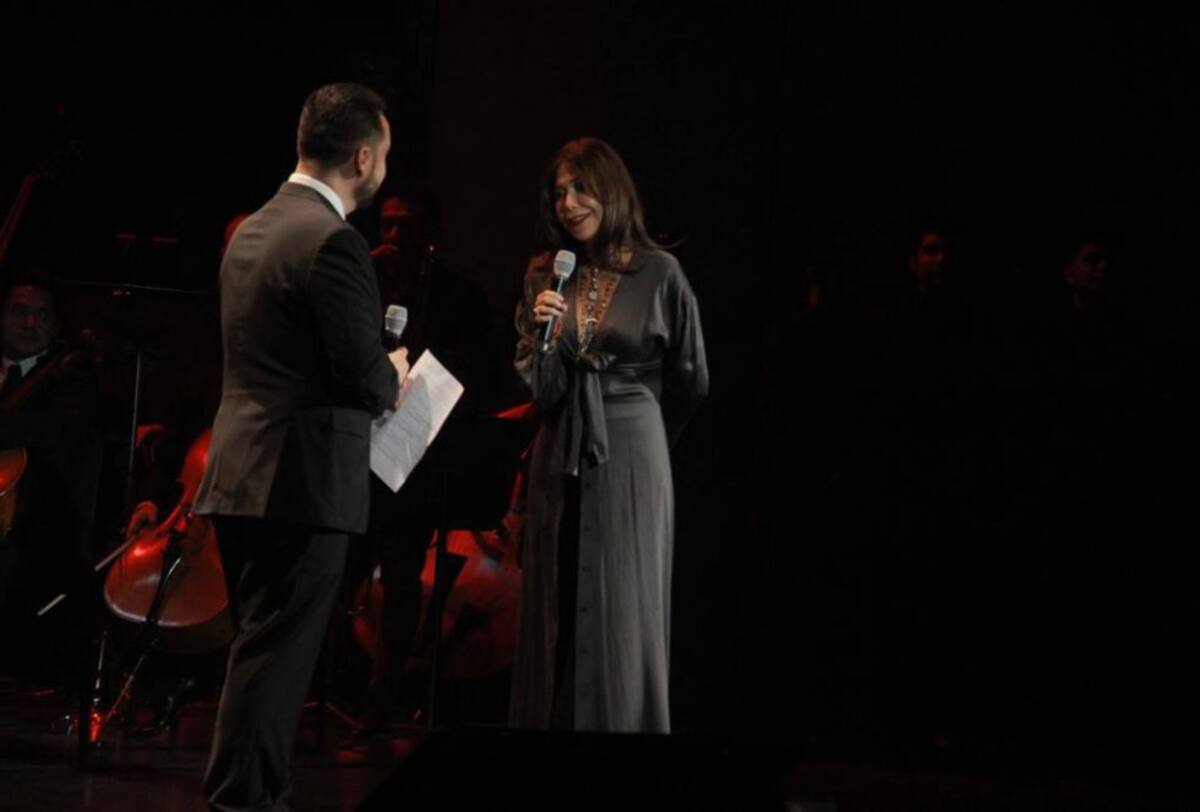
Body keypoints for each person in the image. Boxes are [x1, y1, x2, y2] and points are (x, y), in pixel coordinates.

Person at [193, 82, 409, 810]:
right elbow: (363, 374)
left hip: (242, 472)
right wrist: (393, 373)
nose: (384, 169)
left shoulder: (253, 228)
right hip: (302, 482)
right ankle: (245, 801)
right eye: (384, 155)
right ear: (362, 157)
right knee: (276, 659)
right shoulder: (333, 241)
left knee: (260, 650)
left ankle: (254, 795)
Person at [509, 138, 708, 733]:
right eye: (559, 193)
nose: (568, 204)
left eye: (580, 188)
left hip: (632, 450)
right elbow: (541, 391)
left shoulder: (659, 271)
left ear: (611, 189)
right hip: (559, 451)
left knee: (623, 601)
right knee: (555, 599)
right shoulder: (545, 274)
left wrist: (646, 439)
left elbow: (692, 378)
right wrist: (543, 336)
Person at [0, 271, 103, 687]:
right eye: (19, 312)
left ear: (56, 326)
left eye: (41, 315)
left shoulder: (70, 377)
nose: (30, 323)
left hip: (38, 531)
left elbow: (44, 433)